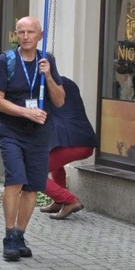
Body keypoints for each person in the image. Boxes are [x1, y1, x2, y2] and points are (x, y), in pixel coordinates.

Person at [0, 16, 65, 261]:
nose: (25, 37)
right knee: (15, 181)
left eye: (30, 32)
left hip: (39, 134)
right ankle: (9, 235)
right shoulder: (6, 61)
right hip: (11, 131)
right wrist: (25, 112)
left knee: (33, 185)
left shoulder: (47, 60)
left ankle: (21, 234)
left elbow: (60, 100)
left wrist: (49, 76)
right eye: (20, 32)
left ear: (39, 35)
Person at [39, 77, 98, 220]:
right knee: (55, 166)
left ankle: (69, 200)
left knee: (33, 173)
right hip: (83, 139)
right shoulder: (66, 82)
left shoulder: (45, 87)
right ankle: (60, 202)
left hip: (72, 143)